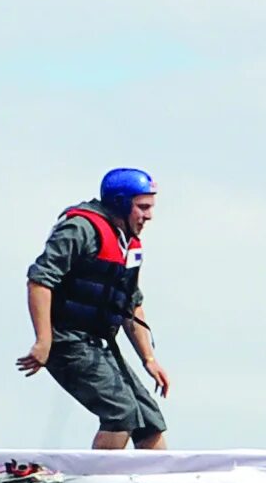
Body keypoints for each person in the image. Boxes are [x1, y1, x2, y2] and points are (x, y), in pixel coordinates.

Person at [19, 168, 170, 448]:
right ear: (120, 203)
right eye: (143, 207)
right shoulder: (81, 230)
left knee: (148, 419)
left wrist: (148, 358)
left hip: (97, 342)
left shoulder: (129, 244)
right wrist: (43, 341)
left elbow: (130, 304)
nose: (149, 216)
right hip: (66, 339)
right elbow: (39, 280)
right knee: (121, 413)